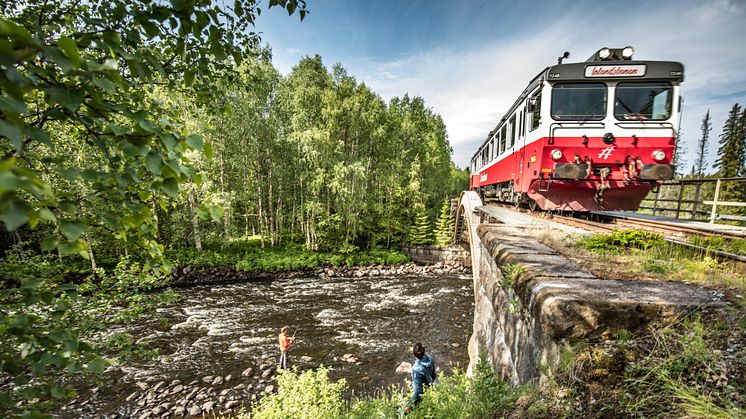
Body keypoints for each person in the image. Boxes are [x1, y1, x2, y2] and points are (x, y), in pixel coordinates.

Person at [404, 342, 437, 414]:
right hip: (431, 386)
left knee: (404, 409)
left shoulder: (416, 369)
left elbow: (418, 390)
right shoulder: (430, 358)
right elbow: (434, 375)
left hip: (424, 393)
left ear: (414, 354)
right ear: (424, 350)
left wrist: (410, 405)